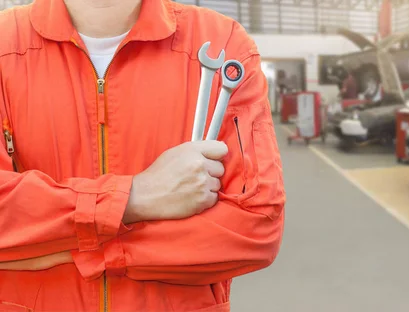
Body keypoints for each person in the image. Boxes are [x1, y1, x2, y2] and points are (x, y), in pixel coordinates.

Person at [0, 0, 285, 311]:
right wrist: (135, 196)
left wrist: (76, 248)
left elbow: (255, 226)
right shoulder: (5, 43)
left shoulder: (222, 40)